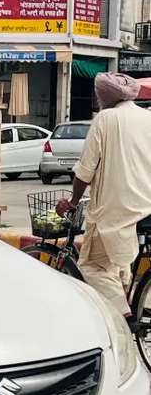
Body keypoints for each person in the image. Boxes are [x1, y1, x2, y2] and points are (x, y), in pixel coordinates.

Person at [56, 72, 151, 325]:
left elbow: (85, 170)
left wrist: (73, 202)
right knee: (117, 263)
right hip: (145, 207)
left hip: (115, 207)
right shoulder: (147, 118)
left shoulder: (105, 119)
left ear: (104, 96)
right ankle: (127, 303)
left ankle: (124, 315)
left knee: (92, 266)